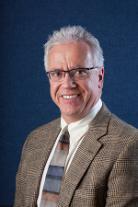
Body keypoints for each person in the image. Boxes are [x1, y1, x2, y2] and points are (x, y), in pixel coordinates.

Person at [14, 25, 138, 207]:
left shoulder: (128, 144)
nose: (67, 84)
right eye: (57, 73)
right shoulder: (34, 141)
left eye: (80, 72)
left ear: (100, 76)